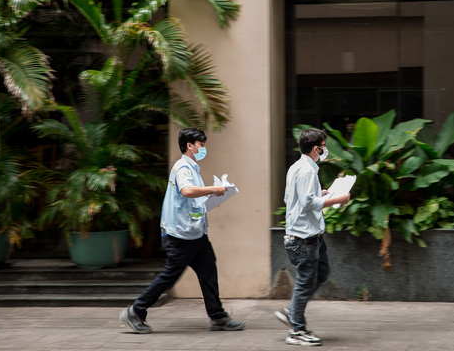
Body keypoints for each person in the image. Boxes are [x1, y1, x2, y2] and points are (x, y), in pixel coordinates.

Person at [120, 128, 245, 334]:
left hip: (195, 233)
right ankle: (135, 311)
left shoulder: (192, 168)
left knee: (208, 273)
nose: (204, 149)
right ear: (190, 145)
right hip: (180, 235)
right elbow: (186, 191)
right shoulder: (182, 168)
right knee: (169, 276)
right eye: (201, 145)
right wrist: (213, 189)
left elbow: (193, 199)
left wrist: (214, 200)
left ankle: (218, 316)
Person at [274, 128, 350, 346]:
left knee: (321, 274)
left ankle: (293, 311)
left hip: (310, 235)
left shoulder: (298, 167)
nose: (325, 149)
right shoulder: (307, 171)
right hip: (304, 238)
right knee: (306, 281)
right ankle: (296, 331)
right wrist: (338, 200)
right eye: (324, 146)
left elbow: (293, 198)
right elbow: (308, 203)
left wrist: (321, 194)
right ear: (317, 148)